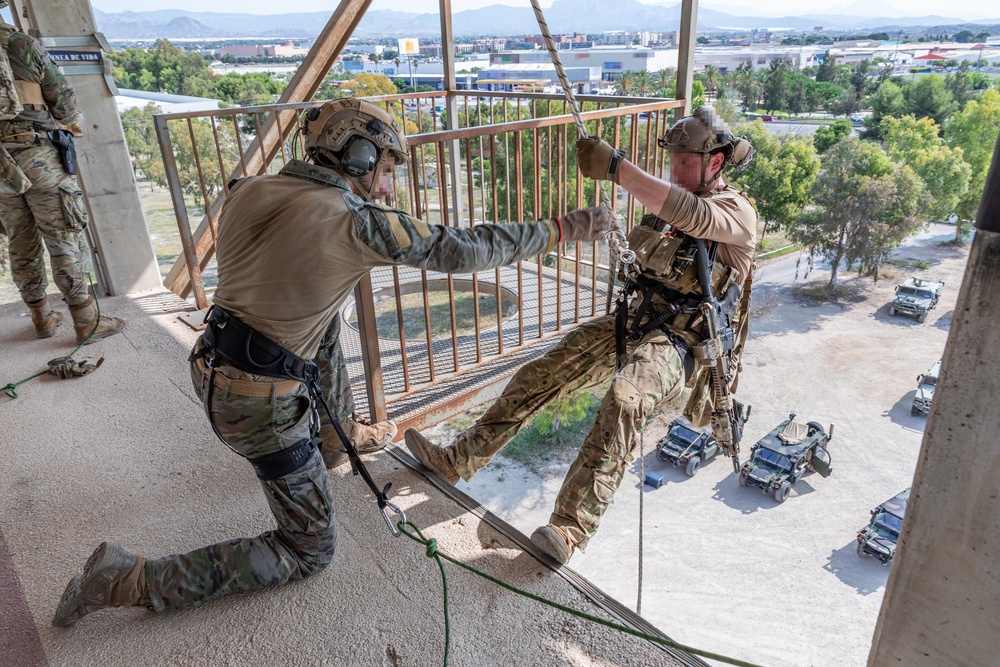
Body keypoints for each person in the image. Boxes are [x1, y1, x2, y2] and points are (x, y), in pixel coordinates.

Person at [51, 98, 613, 625]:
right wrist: (565, 229)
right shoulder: (356, 220)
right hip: (258, 407)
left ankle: (337, 436)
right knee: (309, 550)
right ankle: (128, 580)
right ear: (359, 158)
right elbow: (464, 248)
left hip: (212, 363)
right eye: (387, 169)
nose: (388, 184)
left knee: (326, 328)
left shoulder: (249, 189)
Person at [405, 106, 757, 564]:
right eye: (672, 158)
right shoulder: (666, 207)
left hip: (679, 340)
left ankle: (569, 530)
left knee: (626, 398)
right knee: (542, 372)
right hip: (634, 320)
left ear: (716, 162)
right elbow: (658, 232)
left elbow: (691, 214)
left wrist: (616, 168)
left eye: (685, 160)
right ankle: (458, 459)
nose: (675, 167)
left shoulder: (736, 212)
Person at [0, 15, 126, 343]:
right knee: (63, 236)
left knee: (20, 239)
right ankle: (86, 320)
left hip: (1, 170)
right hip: (37, 155)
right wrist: (68, 123)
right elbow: (62, 96)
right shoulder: (19, 44)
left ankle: (41, 316)